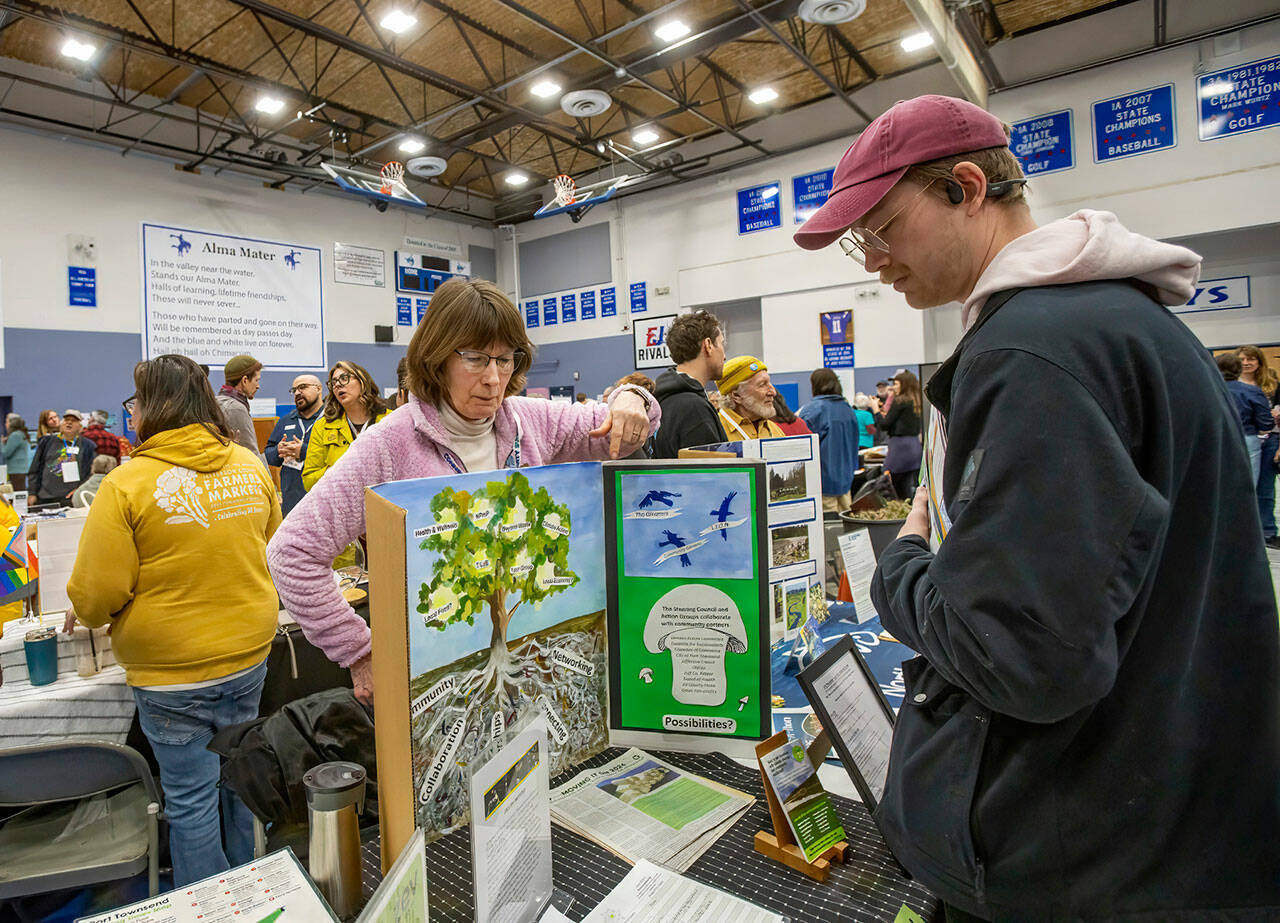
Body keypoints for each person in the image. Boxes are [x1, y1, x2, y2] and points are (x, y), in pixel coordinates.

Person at [793, 93, 1278, 918]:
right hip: (1165, 811)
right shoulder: (1122, 322)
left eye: (880, 227)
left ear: (968, 187)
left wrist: (902, 562)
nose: (872, 259)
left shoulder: (1033, 354)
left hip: (1086, 852)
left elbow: (1019, 658)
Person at [267, 278, 659, 703]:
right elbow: (291, 551)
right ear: (436, 358)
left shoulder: (532, 421)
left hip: (533, 667)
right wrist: (359, 652)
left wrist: (634, 397)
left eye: (506, 360)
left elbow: (626, 426)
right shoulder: (389, 444)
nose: (494, 379)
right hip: (437, 682)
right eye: (475, 359)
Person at [66, 354, 281, 887]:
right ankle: (254, 896)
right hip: (249, 653)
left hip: (171, 673)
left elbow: (95, 600)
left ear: (150, 407)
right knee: (239, 780)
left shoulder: (128, 483)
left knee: (189, 799)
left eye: (135, 401)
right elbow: (271, 549)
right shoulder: (249, 466)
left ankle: (213, 909)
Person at [301, 361, 392, 491]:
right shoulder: (323, 426)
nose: (337, 385)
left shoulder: (389, 420)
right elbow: (308, 481)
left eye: (344, 378)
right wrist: (335, 470)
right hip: (340, 501)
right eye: (333, 383)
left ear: (362, 381)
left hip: (382, 500)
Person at [652, 311, 727, 457]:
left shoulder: (663, 398)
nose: (724, 356)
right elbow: (709, 477)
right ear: (708, 345)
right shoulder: (694, 409)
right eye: (722, 344)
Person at [799, 369, 860, 511]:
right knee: (846, 524)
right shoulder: (848, 409)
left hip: (822, 483)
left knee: (827, 528)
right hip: (845, 481)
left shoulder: (813, 410)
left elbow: (802, 447)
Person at [1238, 345, 1280, 547]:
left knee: (1266, 488)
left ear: (1259, 361)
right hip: (1244, 439)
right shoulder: (1229, 385)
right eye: (1243, 359)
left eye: (1251, 359)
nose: (1246, 363)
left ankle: (1268, 531)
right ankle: (1246, 531)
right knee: (1245, 487)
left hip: (1271, 439)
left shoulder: (1271, 383)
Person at [264, 374, 324, 516]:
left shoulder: (331, 419)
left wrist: (303, 451)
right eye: (294, 390)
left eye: (303, 387)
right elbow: (269, 455)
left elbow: (339, 457)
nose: (297, 393)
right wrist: (278, 450)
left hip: (323, 503)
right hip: (292, 506)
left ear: (319, 389)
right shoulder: (286, 420)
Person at [1219, 352, 1272, 483]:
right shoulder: (1252, 391)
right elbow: (1266, 423)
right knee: (1247, 484)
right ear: (1239, 369)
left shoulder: (1208, 390)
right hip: (1247, 438)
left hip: (1217, 439)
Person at [28, 408, 95, 505]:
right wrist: (32, 493)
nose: (69, 423)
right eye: (67, 420)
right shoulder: (46, 442)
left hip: (70, 498)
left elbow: (92, 473)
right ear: (62, 423)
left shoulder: (88, 445)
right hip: (45, 497)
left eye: (73, 421)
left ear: (80, 427)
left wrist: (80, 489)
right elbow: (34, 469)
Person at [874, 371, 922, 500]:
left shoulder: (900, 401)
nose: (893, 387)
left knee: (894, 486)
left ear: (904, 385)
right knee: (907, 485)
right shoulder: (917, 401)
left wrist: (875, 410)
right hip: (914, 446)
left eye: (895, 384)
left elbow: (884, 425)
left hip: (899, 448)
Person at [216, 354, 267, 464]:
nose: (258, 386)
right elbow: (251, 456)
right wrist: (268, 480)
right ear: (244, 380)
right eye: (256, 380)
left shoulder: (216, 402)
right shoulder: (235, 409)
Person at [717, 356, 783, 441]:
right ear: (737, 396)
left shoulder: (775, 431)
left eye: (769, 383)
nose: (773, 392)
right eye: (762, 385)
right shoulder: (715, 432)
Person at [4, 414, 30, 490]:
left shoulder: (15, 435)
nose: (5, 424)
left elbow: (6, 453)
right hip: (20, 470)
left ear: (12, 423)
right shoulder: (20, 434)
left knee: (18, 493)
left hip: (16, 471)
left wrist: (1, 443)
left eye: (7, 422)